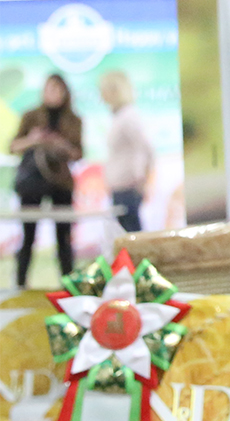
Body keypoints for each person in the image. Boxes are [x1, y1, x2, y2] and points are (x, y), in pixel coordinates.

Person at [10, 73, 83, 288]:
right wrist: (33, 140)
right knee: (28, 236)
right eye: (48, 88)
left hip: (60, 183)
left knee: (64, 238)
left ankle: (68, 286)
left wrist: (61, 146)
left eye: (56, 89)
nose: (52, 93)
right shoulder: (31, 116)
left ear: (64, 92)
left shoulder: (73, 120)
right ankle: (21, 285)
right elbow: (13, 146)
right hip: (31, 183)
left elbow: (79, 153)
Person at [99, 69, 154, 233]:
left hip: (129, 186)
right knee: (125, 231)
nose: (101, 95)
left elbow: (146, 149)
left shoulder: (129, 117)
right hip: (120, 186)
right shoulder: (119, 117)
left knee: (131, 233)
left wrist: (141, 178)